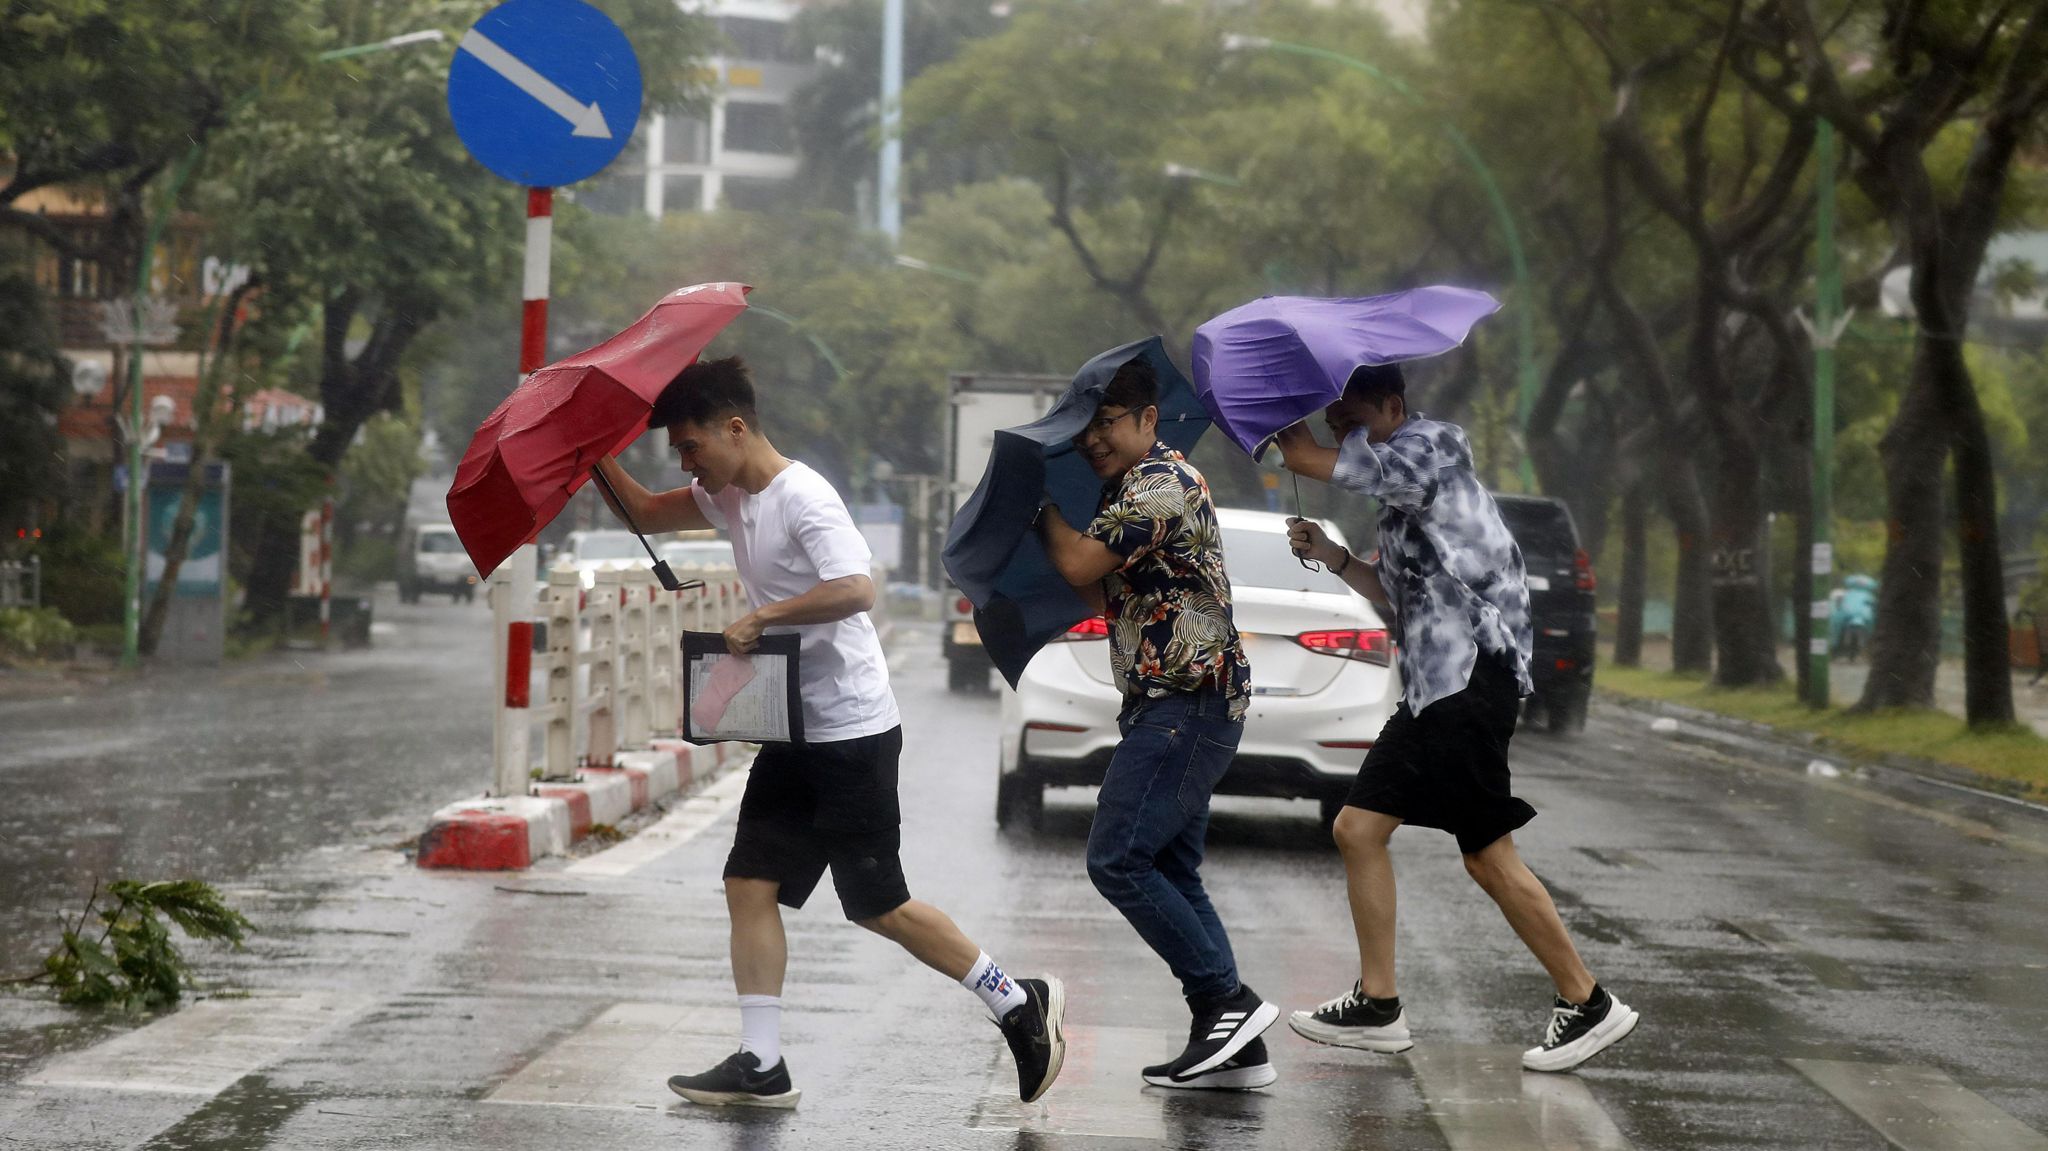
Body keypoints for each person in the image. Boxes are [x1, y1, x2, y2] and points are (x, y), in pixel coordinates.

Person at [593, 356, 1064, 1108]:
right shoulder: (729, 498)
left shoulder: (802, 496)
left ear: (736, 427)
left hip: (850, 730)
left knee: (880, 905)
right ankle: (762, 1060)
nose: (687, 464)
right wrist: (594, 454)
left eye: (691, 447)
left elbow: (857, 587)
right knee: (748, 882)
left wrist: (764, 615)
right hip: (791, 727)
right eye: (679, 454)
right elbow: (647, 512)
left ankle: (1017, 999)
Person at [1271, 362, 1639, 1074]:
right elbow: (1396, 591)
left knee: (1486, 853)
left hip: (1473, 677)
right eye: (1335, 416)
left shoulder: (1431, 447)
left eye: (1351, 414)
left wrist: (1293, 436)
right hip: (1436, 688)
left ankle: (1588, 1000)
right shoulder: (1399, 486)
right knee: (1358, 828)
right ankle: (1379, 1004)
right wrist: (1335, 556)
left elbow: (1318, 462)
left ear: (1393, 406)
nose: (1341, 427)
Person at [1035, 357, 1274, 1090]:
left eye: (1108, 423)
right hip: (1173, 703)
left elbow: (1078, 564)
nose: (1095, 439)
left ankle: (1230, 1002)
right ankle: (1234, 1044)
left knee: (1118, 858)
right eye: (1087, 428)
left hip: (1186, 704)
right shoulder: (1129, 487)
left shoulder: (1163, 484)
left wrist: (1038, 501)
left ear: (1147, 419)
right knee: (1170, 866)